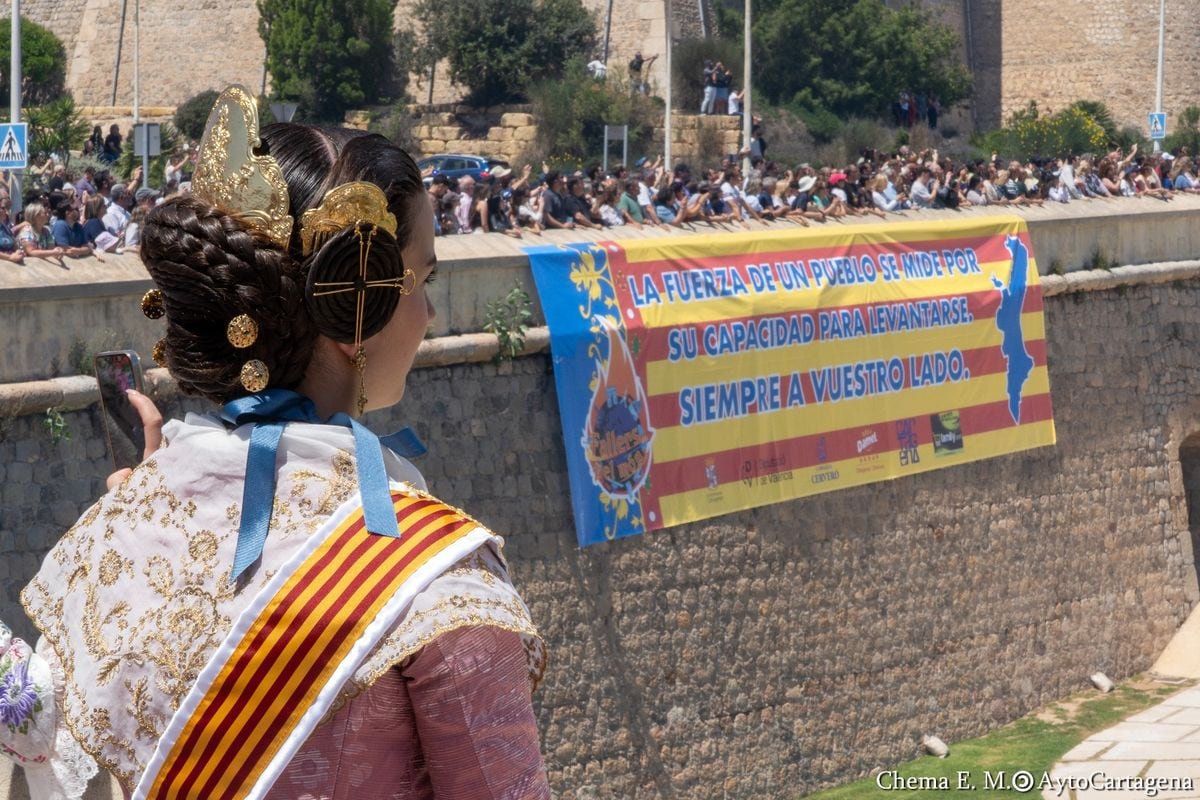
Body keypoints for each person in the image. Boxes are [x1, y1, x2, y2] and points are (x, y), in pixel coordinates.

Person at [6, 85, 547, 800]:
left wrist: (150, 496)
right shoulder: (439, 584)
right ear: (359, 304)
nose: (433, 310)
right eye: (426, 277)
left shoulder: (119, 527)